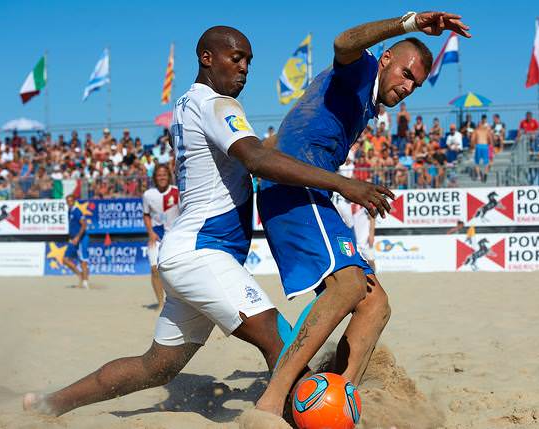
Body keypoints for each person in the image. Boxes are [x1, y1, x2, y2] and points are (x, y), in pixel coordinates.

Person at [23, 25, 387, 417]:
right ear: (207, 58)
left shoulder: (187, 104)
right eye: (236, 58)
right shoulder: (218, 105)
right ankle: (297, 419)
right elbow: (257, 160)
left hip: (186, 252)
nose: (245, 68)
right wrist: (343, 183)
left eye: (248, 61)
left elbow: (249, 154)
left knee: (156, 367)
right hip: (203, 253)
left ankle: (48, 403)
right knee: (280, 342)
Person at [255, 11, 470, 418]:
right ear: (386, 58)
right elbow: (343, 42)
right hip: (293, 188)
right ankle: (270, 404)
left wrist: (261, 151)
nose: (408, 87)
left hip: (311, 190)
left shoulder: (365, 102)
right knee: (348, 286)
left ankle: (337, 397)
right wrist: (409, 23)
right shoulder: (362, 70)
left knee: (377, 304)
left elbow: (288, 130)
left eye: (416, 85)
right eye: (406, 74)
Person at [142, 164, 179, 311]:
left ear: (169, 176)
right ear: (155, 178)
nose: (162, 177)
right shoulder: (148, 195)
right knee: (154, 269)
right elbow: (146, 215)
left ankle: (178, 302)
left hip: (175, 236)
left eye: (164, 174)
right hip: (156, 236)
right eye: (159, 175)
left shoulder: (178, 192)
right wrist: (150, 232)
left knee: (176, 271)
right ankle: (161, 302)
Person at [63, 194, 90, 289]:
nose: (69, 202)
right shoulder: (69, 211)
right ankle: (80, 275)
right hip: (73, 238)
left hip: (81, 238)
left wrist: (78, 237)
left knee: (83, 261)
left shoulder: (77, 211)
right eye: (68, 201)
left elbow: (84, 225)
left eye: (71, 201)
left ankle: (85, 283)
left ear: (74, 201)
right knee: (65, 259)